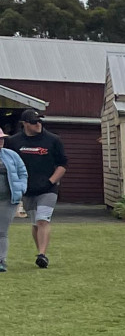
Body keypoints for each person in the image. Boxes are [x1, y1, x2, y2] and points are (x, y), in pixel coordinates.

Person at [6, 109, 67, 268]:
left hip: (48, 189)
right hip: (27, 190)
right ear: (25, 124)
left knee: (42, 220)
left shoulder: (53, 140)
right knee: (35, 223)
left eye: (40, 121)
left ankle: (42, 255)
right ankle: (40, 252)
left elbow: (63, 165)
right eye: (34, 122)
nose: (38, 124)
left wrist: (51, 181)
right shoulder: (13, 142)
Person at [0, 137, 24, 272]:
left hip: (7, 200)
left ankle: (1, 260)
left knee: (2, 231)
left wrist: (21, 188)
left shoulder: (11, 155)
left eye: (2, 139)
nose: (1, 142)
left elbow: (22, 172)